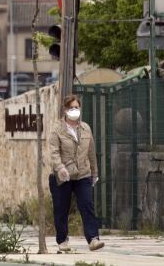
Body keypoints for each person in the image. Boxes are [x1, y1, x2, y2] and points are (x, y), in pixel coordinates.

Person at [47, 94, 103, 253]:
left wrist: (94, 172)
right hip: (63, 175)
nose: (74, 110)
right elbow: (54, 152)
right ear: (65, 110)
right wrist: (60, 168)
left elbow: (91, 151)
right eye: (71, 108)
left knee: (87, 205)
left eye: (76, 107)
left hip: (83, 174)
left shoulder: (86, 128)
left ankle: (93, 239)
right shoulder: (57, 130)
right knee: (61, 208)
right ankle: (62, 241)